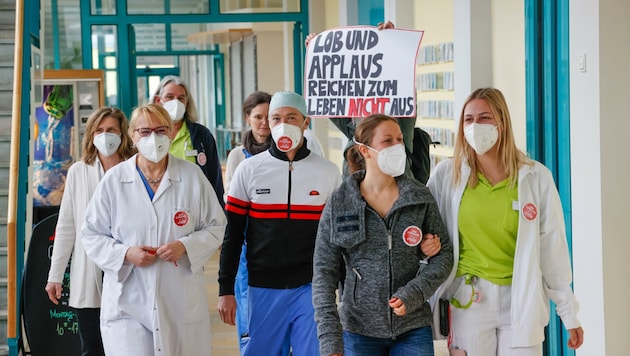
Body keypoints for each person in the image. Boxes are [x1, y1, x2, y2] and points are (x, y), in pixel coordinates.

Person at [427, 88, 584, 355]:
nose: (475, 126)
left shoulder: (535, 178)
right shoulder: (447, 174)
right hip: (468, 300)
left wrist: (568, 313)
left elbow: (552, 249)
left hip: (521, 299)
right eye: (468, 119)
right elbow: (425, 225)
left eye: (485, 117)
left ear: (502, 122)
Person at [81, 104, 227, 356]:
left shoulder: (192, 177)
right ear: (133, 136)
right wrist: (126, 254)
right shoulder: (114, 181)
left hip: (180, 300)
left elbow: (217, 226)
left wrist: (185, 246)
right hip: (128, 302)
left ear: (171, 133)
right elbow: (91, 234)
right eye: (145, 131)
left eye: (161, 130)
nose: (154, 138)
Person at [312, 114, 453, 356]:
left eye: (400, 139)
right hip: (358, 331)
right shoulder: (341, 202)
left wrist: (415, 293)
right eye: (387, 141)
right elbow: (324, 274)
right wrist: (330, 339)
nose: (397, 146)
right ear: (364, 150)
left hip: (413, 327)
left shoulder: (418, 196)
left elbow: (445, 256)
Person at [218, 91, 341, 355]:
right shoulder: (248, 170)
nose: (282, 124)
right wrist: (225, 288)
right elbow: (234, 235)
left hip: (312, 288)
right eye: (276, 118)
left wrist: (338, 283)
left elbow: (336, 238)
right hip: (262, 287)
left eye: (291, 117)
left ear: (305, 122)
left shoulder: (327, 172)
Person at [45, 107, 135, 356]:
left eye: (112, 130)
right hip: (90, 269)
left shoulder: (136, 167)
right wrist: (55, 275)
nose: (106, 136)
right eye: (100, 130)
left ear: (123, 134)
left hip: (129, 265)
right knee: (92, 347)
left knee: (129, 345)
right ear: (91, 135)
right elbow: (66, 226)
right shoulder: (78, 172)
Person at [306, 21, 418, 179]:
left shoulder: (401, 120)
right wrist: (318, 54)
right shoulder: (353, 126)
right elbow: (329, 98)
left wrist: (393, 45)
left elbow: (405, 84)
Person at [150, 75, 225, 207]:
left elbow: (215, 180)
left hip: (194, 206)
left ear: (187, 102)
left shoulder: (202, 135)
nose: (176, 102)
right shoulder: (147, 135)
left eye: (181, 98)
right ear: (158, 100)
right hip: (157, 206)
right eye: (169, 97)